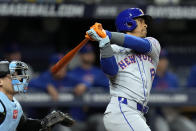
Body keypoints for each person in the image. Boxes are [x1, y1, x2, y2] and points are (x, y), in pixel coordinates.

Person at [86, 8, 161, 131]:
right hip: (121, 110)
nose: (145, 24)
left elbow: (141, 45)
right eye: (141, 21)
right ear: (128, 23)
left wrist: (107, 34)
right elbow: (111, 71)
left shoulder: (152, 43)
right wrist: (104, 43)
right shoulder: (112, 48)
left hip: (138, 113)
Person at [0, 60, 75, 131]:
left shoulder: (13, 104)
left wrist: (45, 123)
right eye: (13, 76)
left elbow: (24, 126)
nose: (19, 79)